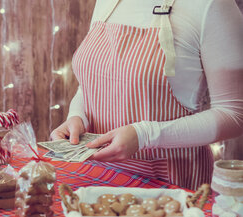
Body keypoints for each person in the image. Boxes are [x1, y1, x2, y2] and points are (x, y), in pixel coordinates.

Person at [50, 0, 243, 189]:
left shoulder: (212, 5)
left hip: (168, 187)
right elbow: (92, 82)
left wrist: (146, 135)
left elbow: (235, 114)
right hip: (92, 177)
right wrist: (77, 116)